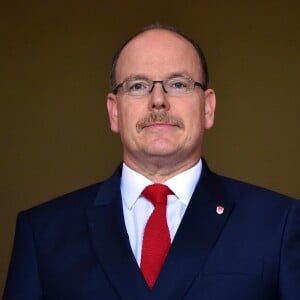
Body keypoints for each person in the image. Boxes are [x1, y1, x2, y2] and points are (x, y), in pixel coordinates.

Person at [3, 23, 300, 300]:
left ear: (208, 108)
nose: (158, 100)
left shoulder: (279, 224)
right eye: (138, 86)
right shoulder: (43, 233)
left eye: (179, 84)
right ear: (114, 112)